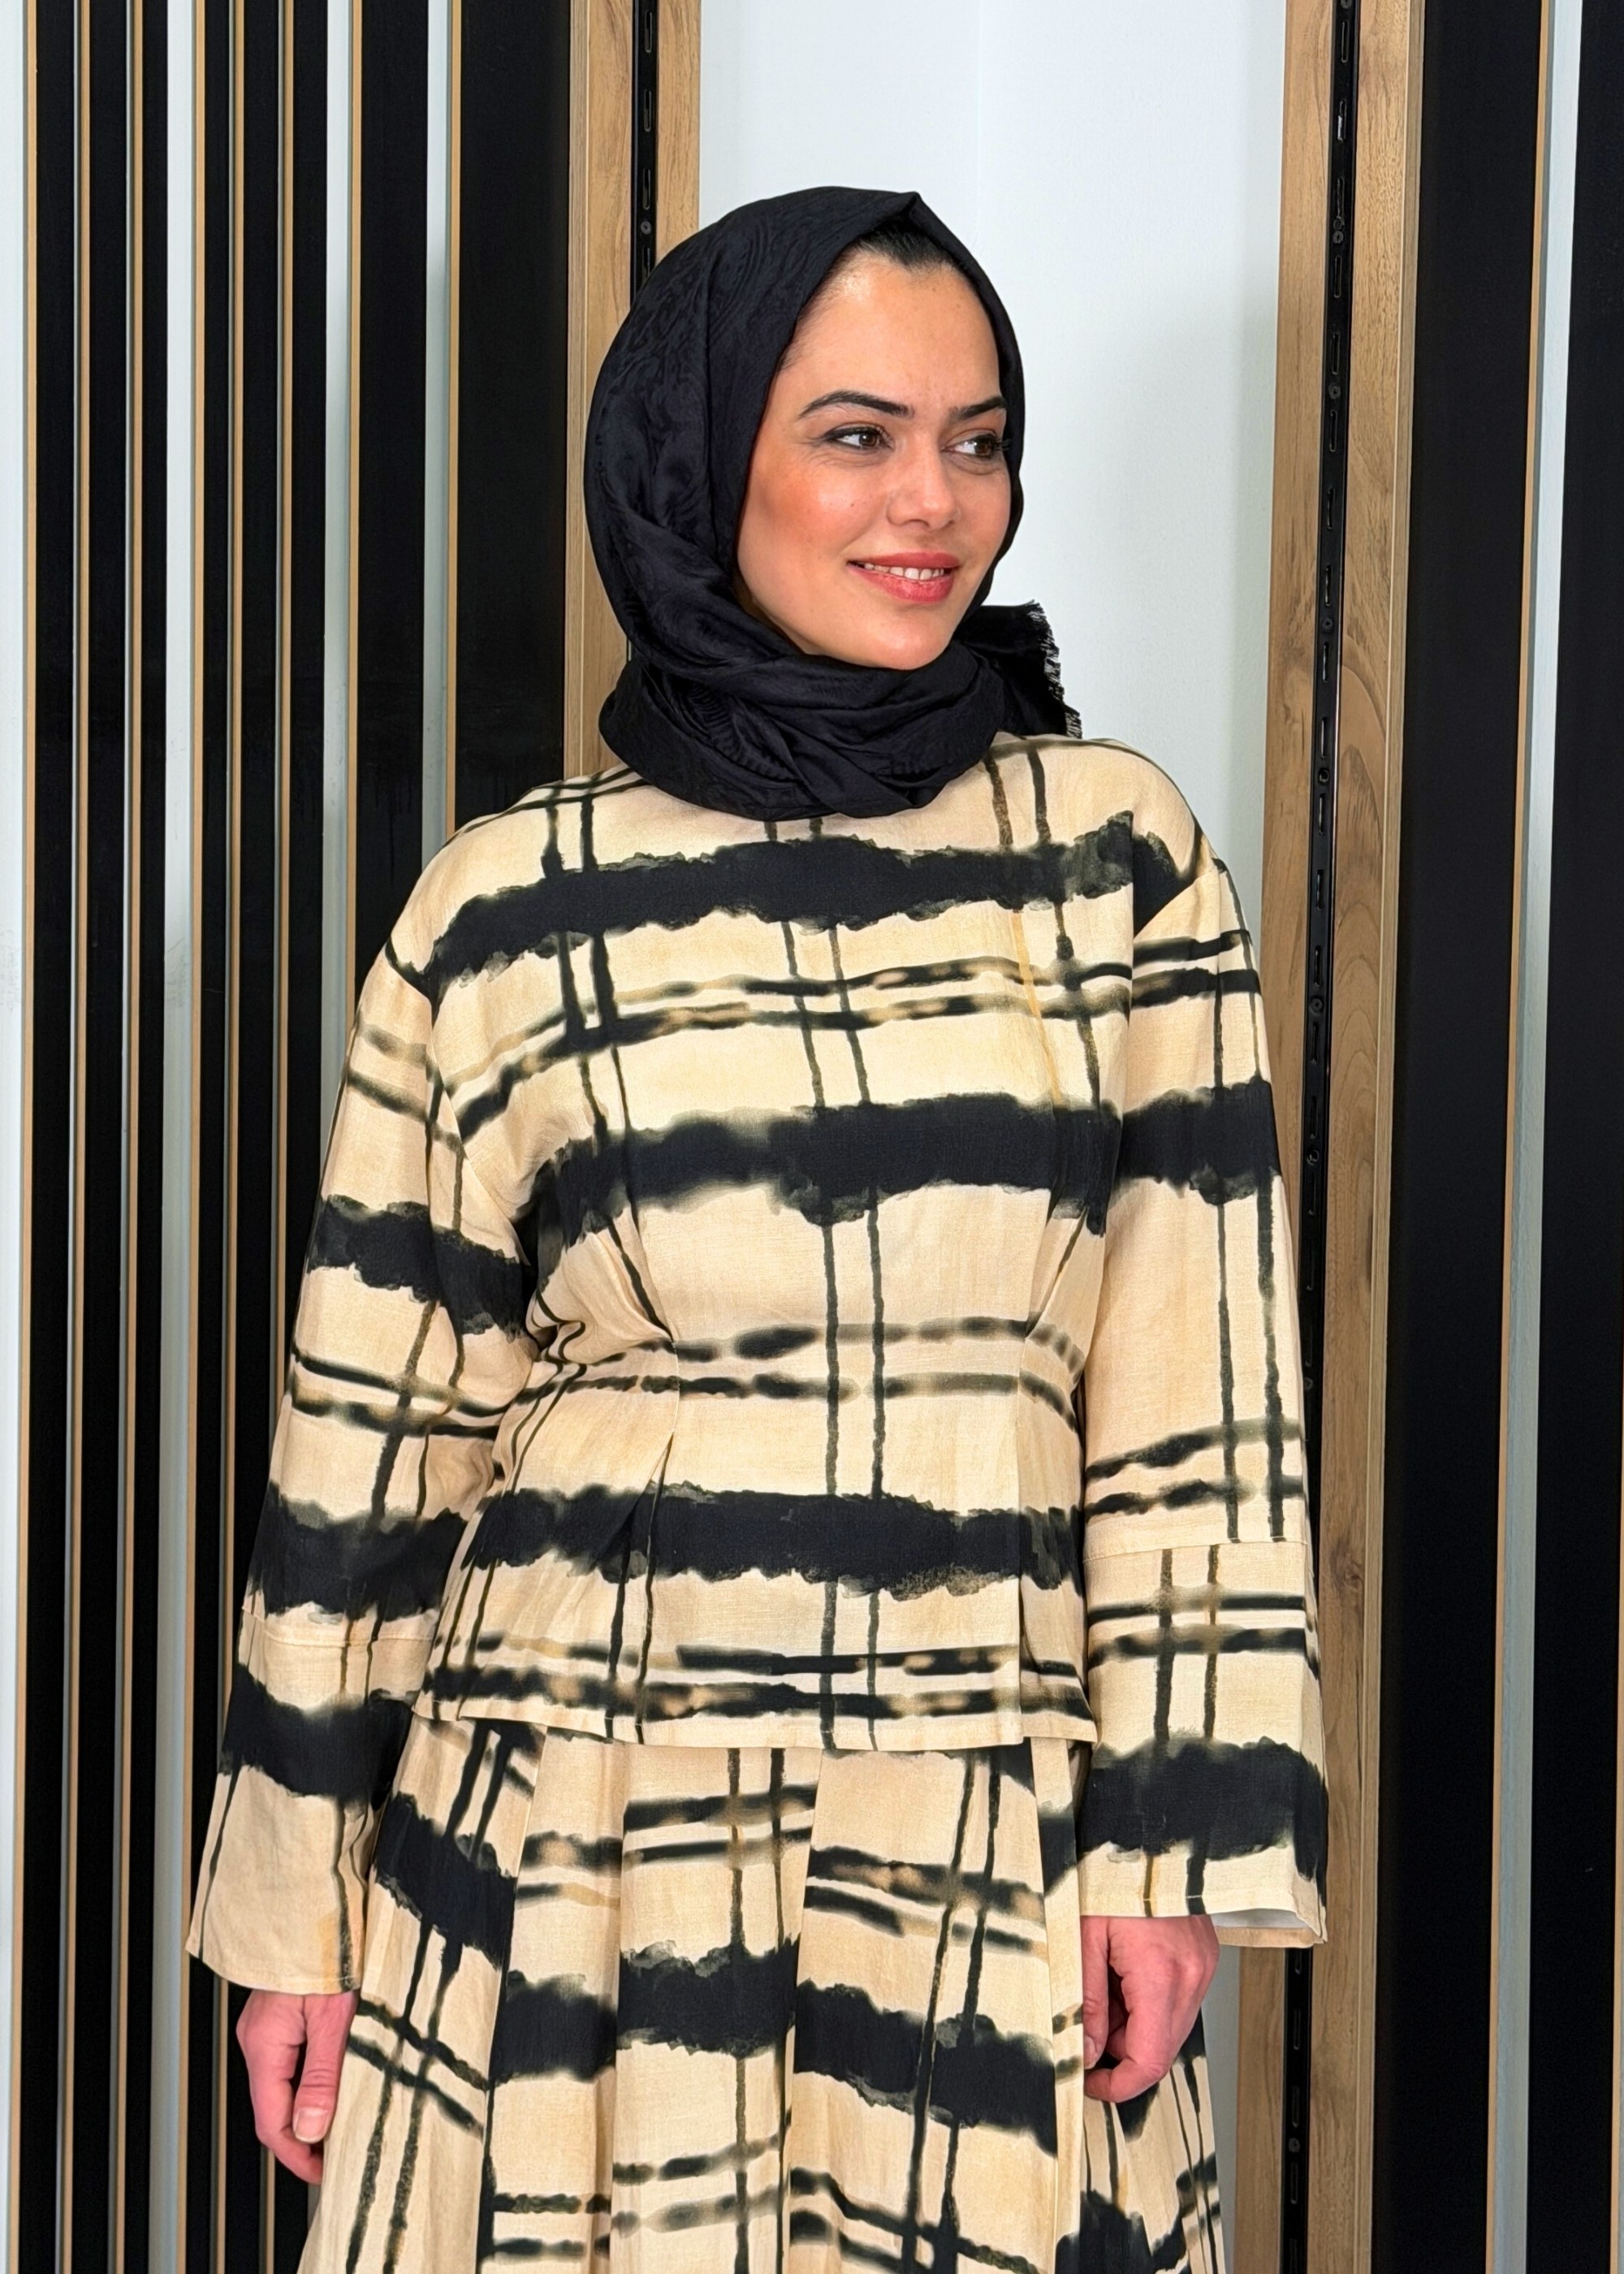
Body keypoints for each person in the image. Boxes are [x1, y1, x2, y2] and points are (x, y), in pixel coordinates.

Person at [188, 186, 1325, 2274]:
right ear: (704, 460)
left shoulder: (1115, 858)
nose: (932, 503)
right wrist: (295, 1919)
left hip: (982, 1792)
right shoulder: (500, 904)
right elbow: (372, 1448)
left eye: (977, 440)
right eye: (856, 435)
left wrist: (1176, 1844)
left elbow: (1200, 1405)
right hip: (566, 1810)